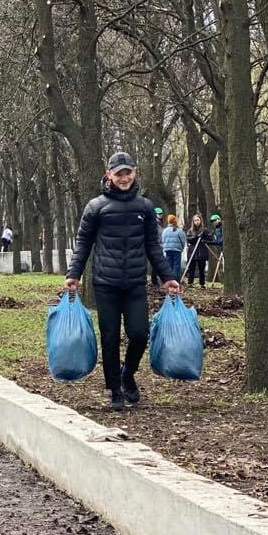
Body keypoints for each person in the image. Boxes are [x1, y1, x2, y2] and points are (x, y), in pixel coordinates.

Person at [65, 152, 181, 411]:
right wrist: (74, 274)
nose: (124, 177)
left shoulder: (145, 208)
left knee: (140, 334)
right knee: (109, 337)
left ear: (135, 172)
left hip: (135, 283)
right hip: (105, 284)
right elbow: (83, 243)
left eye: (128, 172)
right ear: (109, 175)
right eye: (119, 173)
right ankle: (115, 389)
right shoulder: (95, 207)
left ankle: (128, 374)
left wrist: (168, 277)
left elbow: (153, 246)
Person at [185, 214, 211, 288]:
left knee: (201, 268)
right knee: (191, 268)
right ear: (193, 221)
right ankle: (190, 283)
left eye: (198, 220)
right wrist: (197, 237)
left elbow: (209, 239)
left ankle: (202, 284)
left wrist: (205, 236)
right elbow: (189, 240)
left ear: (200, 221)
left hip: (201, 251)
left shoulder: (204, 230)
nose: (196, 222)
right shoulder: (190, 231)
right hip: (192, 251)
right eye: (195, 220)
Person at [161, 214, 185, 281]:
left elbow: (163, 240)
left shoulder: (165, 230)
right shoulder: (178, 230)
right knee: (176, 265)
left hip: (167, 250)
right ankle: (175, 279)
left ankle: (169, 279)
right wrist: (182, 248)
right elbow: (183, 240)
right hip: (176, 250)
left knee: (169, 264)